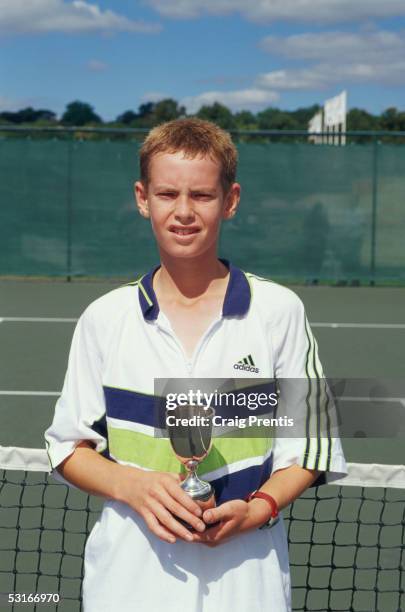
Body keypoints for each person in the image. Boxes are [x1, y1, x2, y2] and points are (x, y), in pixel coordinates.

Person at [45, 118, 347, 612]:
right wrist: (134, 485)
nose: (183, 211)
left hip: (248, 583)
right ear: (143, 198)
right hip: (127, 584)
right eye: (167, 194)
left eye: (202, 196)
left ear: (230, 200)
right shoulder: (104, 318)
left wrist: (258, 508)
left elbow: (312, 447)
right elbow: (67, 447)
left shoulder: (278, 311)